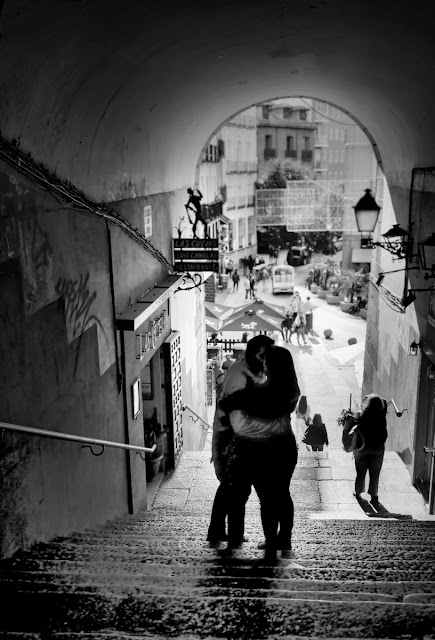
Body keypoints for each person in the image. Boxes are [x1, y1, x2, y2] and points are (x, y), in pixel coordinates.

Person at [219, 344, 300, 555]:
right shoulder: (291, 390)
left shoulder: (259, 391)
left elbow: (228, 403)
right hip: (285, 445)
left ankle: (271, 540)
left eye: (265, 361)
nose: (262, 363)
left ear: (271, 364)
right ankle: (285, 539)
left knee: (267, 499)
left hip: (261, 448)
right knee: (282, 494)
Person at [207, 335, 275, 546]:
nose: (266, 360)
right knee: (238, 489)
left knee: (230, 488)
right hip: (235, 442)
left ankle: (217, 531)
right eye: (264, 355)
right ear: (254, 354)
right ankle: (233, 537)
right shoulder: (241, 377)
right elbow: (239, 417)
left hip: (233, 440)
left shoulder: (245, 369)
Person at [343, 393, 388, 508]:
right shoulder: (381, 417)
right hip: (377, 449)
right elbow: (384, 435)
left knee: (360, 471)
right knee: (375, 473)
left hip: (362, 448)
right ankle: (374, 496)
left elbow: (351, 426)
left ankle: (358, 493)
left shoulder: (361, 416)